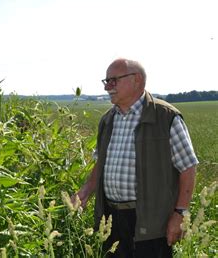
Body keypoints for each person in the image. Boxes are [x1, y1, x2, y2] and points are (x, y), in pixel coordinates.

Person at [73, 58, 198, 257]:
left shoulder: (165, 117)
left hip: (151, 221)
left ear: (137, 80)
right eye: (105, 81)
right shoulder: (108, 120)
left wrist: (180, 213)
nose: (107, 87)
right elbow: (101, 164)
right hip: (112, 218)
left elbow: (188, 168)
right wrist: (86, 191)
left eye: (113, 80)